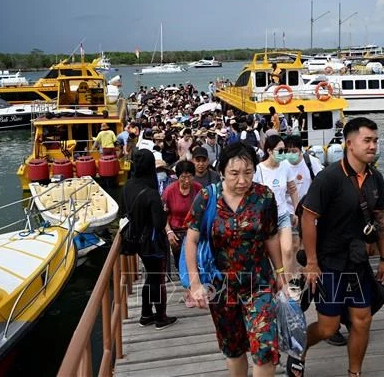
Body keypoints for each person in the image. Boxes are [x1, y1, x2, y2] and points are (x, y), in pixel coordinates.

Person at [294, 117, 384, 377]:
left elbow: (381, 219)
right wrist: (312, 263)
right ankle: (298, 348)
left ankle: (354, 373)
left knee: (363, 320)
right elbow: (308, 217)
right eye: (367, 140)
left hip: (357, 261)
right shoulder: (329, 178)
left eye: (375, 140)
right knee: (327, 327)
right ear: (349, 143)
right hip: (330, 262)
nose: (373, 146)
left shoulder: (376, 179)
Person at [183, 142, 285, 376]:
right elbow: (191, 240)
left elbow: (270, 236)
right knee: (234, 348)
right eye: (234, 174)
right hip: (221, 286)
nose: (242, 180)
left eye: (248, 173)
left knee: (265, 348)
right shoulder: (207, 197)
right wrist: (195, 283)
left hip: (259, 283)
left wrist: (281, 273)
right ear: (222, 172)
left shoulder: (264, 197)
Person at [121, 149, 177, 330]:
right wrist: (165, 210)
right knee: (157, 278)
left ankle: (146, 314)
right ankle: (161, 317)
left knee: (149, 276)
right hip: (152, 241)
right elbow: (159, 223)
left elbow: (123, 211)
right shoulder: (151, 192)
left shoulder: (128, 186)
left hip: (135, 239)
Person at [253, 135, 300, 293]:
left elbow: (292, 189)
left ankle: (285, 285)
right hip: (265, 218)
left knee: (287, 250)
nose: (283, 154)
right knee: (268, 253)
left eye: (284, 150)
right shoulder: (259, 169)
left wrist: (296, 210)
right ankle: (272, 282)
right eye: (280, 151)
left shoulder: (285, 166)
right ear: (269, 151)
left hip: (282, 214)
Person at [162, 160, 201, 280]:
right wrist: (169, 232)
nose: (187, 181)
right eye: (183, 177)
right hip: (176, 231)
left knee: (194, 261)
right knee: (180, 261)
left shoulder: (198, 189)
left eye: (190, 177)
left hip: (193, 230)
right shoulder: (169, 191)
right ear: (177, 177)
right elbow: (163, 215)